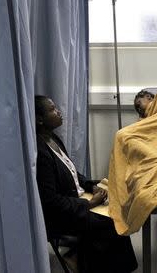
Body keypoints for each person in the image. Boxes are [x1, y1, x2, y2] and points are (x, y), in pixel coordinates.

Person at [35, 95, 137, 273]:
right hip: (61, 216)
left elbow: (73, 174)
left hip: (76, 201)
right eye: (52, 109)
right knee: (110, 222)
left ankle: (82, 257)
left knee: (117, 203)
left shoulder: (53, 139)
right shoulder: (41, 152)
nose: (58, 112)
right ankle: (81, 260)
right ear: (39, 119)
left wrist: (92, 186)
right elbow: (50, 201)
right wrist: (89, 203)